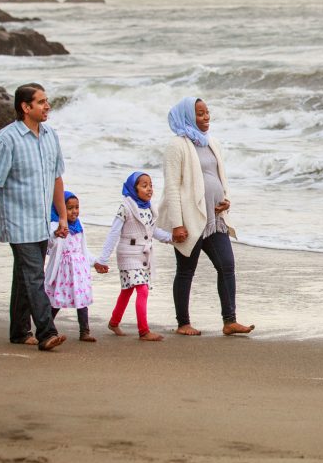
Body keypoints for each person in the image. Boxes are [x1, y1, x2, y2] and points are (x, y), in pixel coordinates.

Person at [0, 83, 68, 351]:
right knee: (33, 276)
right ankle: (46, 332)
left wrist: (62, 216)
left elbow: (56, 178)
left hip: (41, 221)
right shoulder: (5, 140)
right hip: (18, 221)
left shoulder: (51, 135)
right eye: (41, 102)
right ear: (25, 107)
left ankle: (19, 331)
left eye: (47, 101)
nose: (47, 106)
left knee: (24, 277)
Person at [158, 97, 254, 337]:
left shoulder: (212, 142)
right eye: (200, 114)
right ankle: (183, 323)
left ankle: (230, 321)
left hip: (215, 219)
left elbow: (220, 176)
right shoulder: (176, 146)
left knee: (227, 265)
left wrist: (226, 199)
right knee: (186, 271)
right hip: (191, 219)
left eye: (207, 112)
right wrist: (177, 224)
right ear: (188, 117)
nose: (206, 117)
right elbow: (171, 187)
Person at [97, 172, 173, 341]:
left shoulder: (149, 208)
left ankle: (114, 322)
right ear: (134, 188)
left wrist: (172, 238)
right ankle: (144, 331)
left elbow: (153, 232)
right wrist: (103, 259)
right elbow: (114, 232)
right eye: (144, 185)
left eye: (151, 185)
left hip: (143, 255)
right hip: (128, 254)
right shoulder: (125, 207)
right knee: (142, 289)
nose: (149, 189)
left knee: (127, 290)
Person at [45, 191, 109, 342]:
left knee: (82, 300)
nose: (74, 211)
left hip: (79, 270)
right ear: (60, 209)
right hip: (62, 270)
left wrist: (95, 262)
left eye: (77, 207)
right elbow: (49, 245)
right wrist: (56, 234)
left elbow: (84, 250)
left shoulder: (80, 226)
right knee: (56, 299)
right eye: (69, 208)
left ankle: (84, 331)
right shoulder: (55, 224)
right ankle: (47, 329)